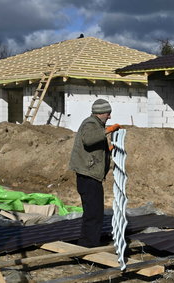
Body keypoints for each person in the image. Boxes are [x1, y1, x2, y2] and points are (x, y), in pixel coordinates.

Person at [69, 99, 120, 247]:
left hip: (90, 176)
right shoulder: (90, 124)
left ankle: (87, 242)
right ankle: (88, 245)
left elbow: (94, 147)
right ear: (100, 113)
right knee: (94, 213)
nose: (109, 117)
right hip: (88, 177)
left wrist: (108, 151)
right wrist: (109, 130)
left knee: (93, 212)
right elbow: (89, 140)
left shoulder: (95, 124)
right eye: (108, 114)